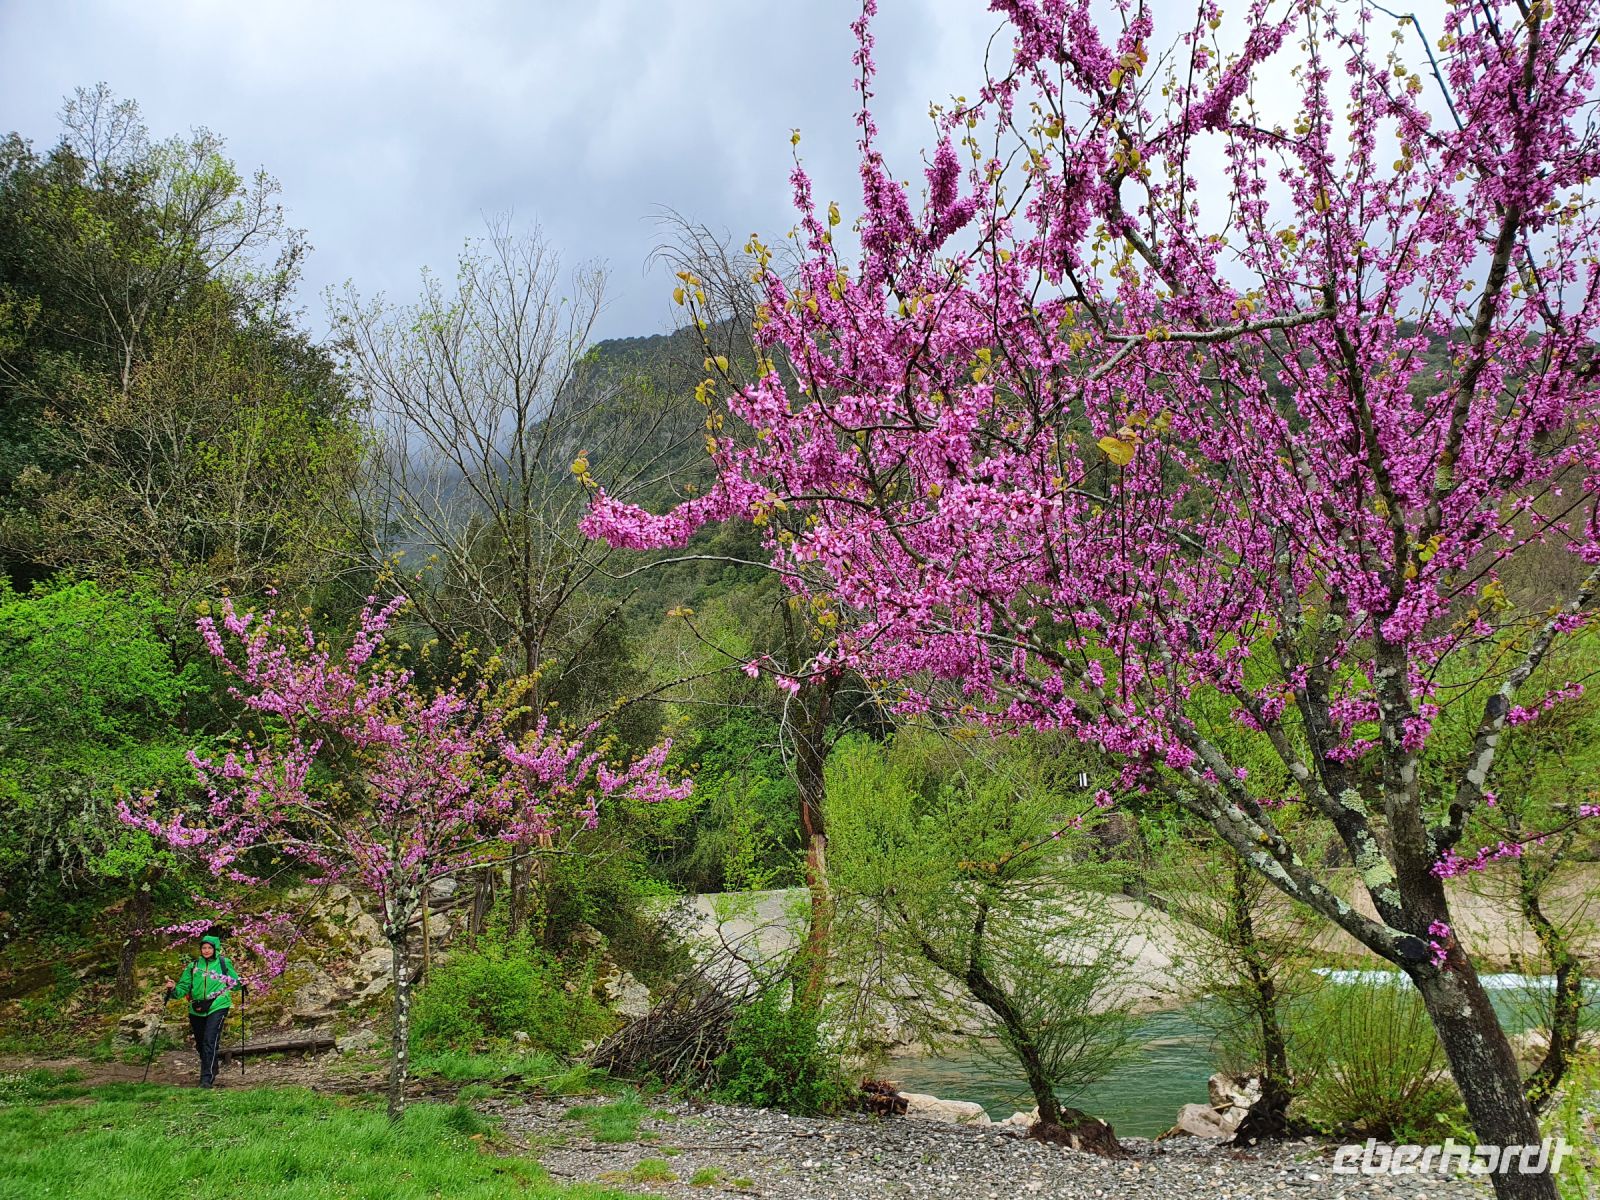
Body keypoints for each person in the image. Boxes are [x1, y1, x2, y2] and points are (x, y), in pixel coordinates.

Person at [165, 934, 240, 1087]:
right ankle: (212, 1067)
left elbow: (235, 983)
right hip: (196, 1008)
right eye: (203, 948)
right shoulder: (193, 966)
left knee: (209, 1040)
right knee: (200, 1044)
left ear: (215, 949)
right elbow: (183, 988)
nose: (206, 951)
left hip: (218, 1004)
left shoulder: (224, 963)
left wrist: (242, 983)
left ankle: (206, 1079)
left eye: (209, 948)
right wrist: (173, 989)